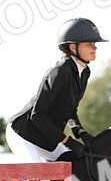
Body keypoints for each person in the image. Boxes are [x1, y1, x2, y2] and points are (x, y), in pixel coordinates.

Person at [6, 17, 105, 163]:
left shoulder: (84, 72)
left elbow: (70, 110)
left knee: (70, 169)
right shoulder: (59, 71)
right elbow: (37, 115)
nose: (94, 48)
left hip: (44, 137)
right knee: (41, 179)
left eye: (95, 44)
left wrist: (79, 131)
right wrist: (67, 140)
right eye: (89, 44)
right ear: (73, 47)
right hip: (23, 134)